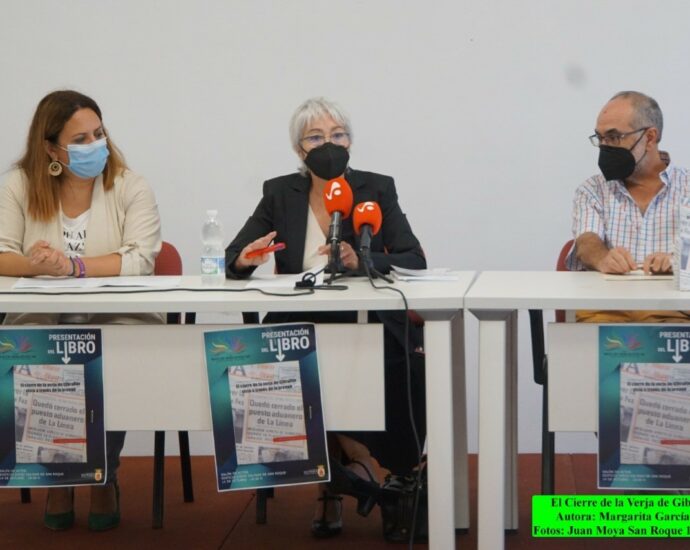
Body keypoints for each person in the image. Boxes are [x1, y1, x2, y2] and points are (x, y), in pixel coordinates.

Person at [225, 97, 426, 538]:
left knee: (399, 365)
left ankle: (386, 475)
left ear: (351, 142)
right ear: (300, 150)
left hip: (366, 320)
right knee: (278, 368)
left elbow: (414, 257)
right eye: (316, 137)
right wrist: (246, 259)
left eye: (338, 135)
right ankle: (347, 474)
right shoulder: (280, 192)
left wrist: (362, 260)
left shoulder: (376, 188)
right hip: (300, 318)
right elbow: (234, 259)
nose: (329, 144)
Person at [0, 90, 162, 531]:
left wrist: (71, 266)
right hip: (42, 318)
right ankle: (58, 475)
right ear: (51, 148)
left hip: (117, 317)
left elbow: (139, 260)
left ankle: (102, 475)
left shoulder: (131, 185)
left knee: (106, 358)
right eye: (81, 138)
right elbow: (1, 255)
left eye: (99, 133)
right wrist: (36, 264)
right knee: (40, 352)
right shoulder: (18, 185)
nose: (95, 144)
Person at [566, 91, 690, 322]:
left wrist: (678, 261)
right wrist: (603, 258)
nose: (605, 146)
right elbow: (586, 242)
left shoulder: (687, 187)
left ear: (650, 138)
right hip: (606, 312)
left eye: (614, 137)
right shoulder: (593, 189)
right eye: (600, 138)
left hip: (672, 313)